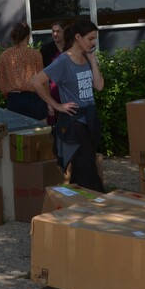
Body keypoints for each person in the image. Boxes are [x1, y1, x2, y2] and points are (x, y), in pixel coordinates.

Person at [30, 17, 105, 191]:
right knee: (86, 167)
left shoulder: (87, 57)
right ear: (78, 37)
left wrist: (92, 60)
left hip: (90, 119)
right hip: (74, 122)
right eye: (90, 39)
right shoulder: (64, 60)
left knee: (83, 167)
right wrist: (56, 105)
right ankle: (99, 199)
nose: (93, 43)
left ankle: (77, 201)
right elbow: (36, 82)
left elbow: (99, 86)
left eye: (95, 39)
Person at [0, 21, 47, 120]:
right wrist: (48, 101)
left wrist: (10, 97)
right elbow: (43, 81)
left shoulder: (5, 55)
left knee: (17, 129)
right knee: (37, 129)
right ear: (28, 36)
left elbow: (1, 83)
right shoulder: (35, 54)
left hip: (14, 99)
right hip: (34, 99)